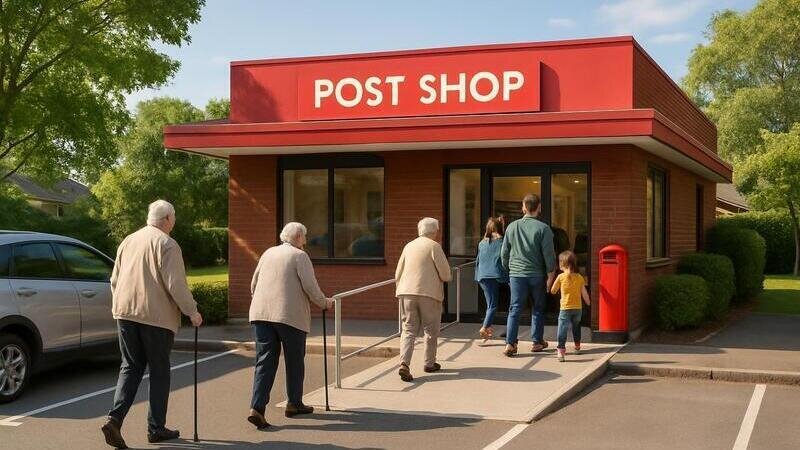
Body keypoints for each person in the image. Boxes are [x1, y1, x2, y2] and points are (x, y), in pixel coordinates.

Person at [102, 200, 203, 449]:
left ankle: (114, 419)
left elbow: (114, 280)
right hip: (155, 318)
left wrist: (121, 304)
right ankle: (155, 427)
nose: (174, 221)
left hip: (125, 313)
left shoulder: (128, 240)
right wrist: (192, 312)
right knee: (159, 371)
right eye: (174, 217)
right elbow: (176, 284)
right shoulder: (167, 244)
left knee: (130, 367)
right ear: (167, 218)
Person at [247, 222, 335, 429]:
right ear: (298, 238)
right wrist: (324, 303)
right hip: (289, 316)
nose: (306, 240)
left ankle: (257, 408)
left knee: (264, 361)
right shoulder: (300, 256)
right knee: (294, 360)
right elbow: (310, 286)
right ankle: (294, 403)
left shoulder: (268, 253)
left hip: (261, 314)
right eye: (304, 236)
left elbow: (254, 284)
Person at [395, 217, 452, 382]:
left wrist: (399, 289)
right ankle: (429, 363)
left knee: (408, 329)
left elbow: (398, 272)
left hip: (406, 292)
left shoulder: (408, 246)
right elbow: (445, 274)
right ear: (434, 231)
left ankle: (404, 363)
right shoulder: (434, 246)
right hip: (429, 293)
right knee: (430, 330)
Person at [500, 194, 556, 357]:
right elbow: (549, 255)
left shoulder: (512, 227)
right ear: (539, 207)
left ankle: (510, 343)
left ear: (523, 207)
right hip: (537, 274)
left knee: (515, 308)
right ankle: (537, 342)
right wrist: (550, 274)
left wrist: (509, 269)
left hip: (517, 274)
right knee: (538, 308)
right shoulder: (544, 229)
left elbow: (504, 253)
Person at [550, 251, 591, 362]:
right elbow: (584, 294)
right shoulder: (579, 277)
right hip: (578, 308)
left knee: (562, 329)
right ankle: (577, 346)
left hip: (565, 308)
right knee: (576, 327)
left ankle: (561, 351)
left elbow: (553, 290)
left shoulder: (560, 277)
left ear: (562, 264)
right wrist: (588, 302)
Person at [474, 217, 508, 342]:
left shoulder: (482, 243)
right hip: (496, 276)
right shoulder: (502, 242)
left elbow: (478, 260)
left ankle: (487, 331)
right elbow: (505, 260)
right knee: (492, 305)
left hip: (482, 276)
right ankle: (484, 327)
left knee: (490, 304)